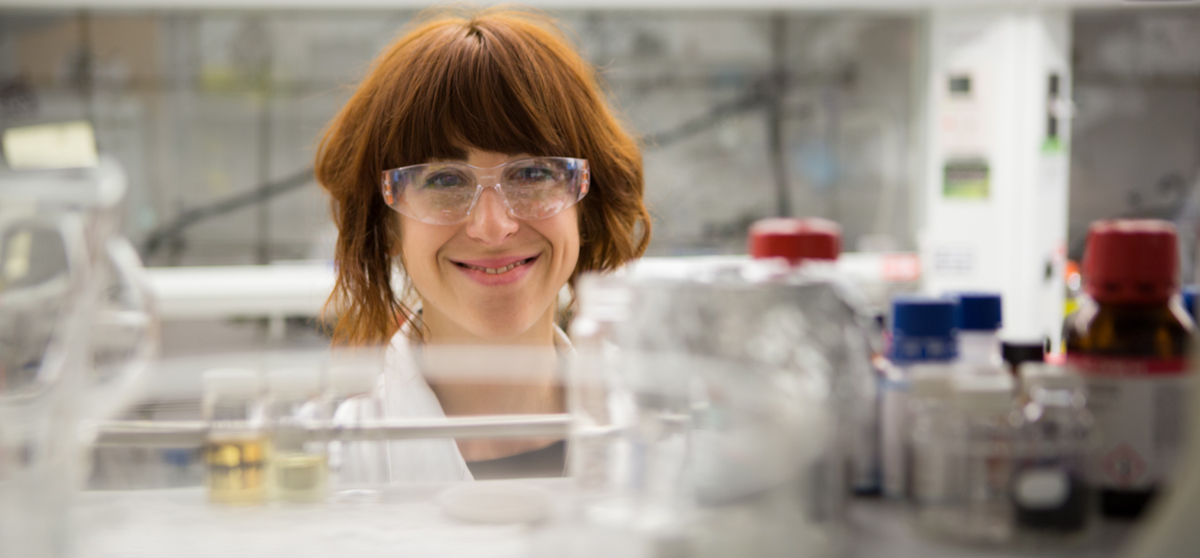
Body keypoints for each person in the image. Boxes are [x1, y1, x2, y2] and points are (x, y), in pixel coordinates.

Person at [314, 8, 651, 482]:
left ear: (585, 205)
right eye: (445, 179)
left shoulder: (664, 441)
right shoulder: (326, 468)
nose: (492, 227)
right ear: (386, 225)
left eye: (532, 173)